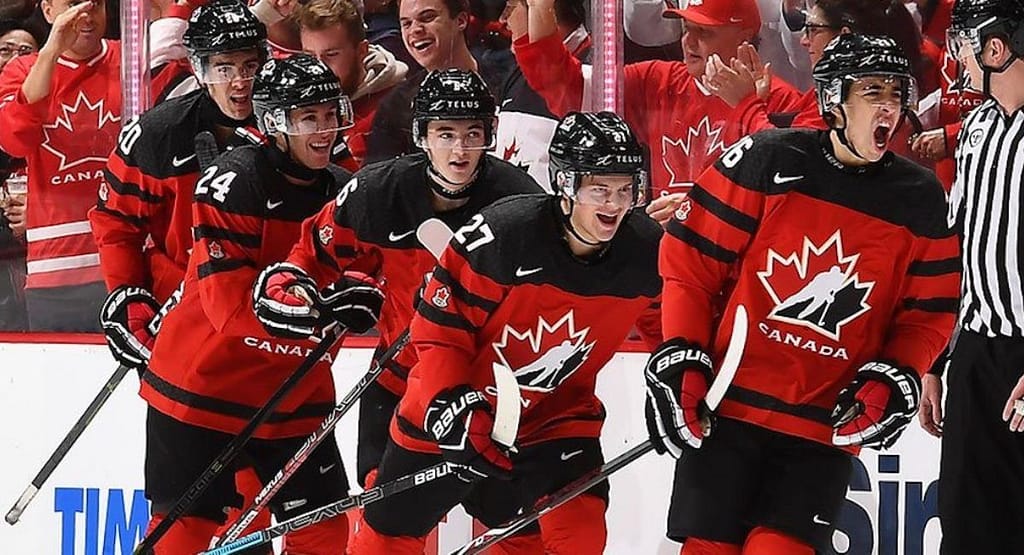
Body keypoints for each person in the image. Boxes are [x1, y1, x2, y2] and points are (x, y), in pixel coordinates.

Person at [646, 34, 959, 554]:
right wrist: (683, 354)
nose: (890, 107)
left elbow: (930, 314)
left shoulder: (920, 199)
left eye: (897, 95)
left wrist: (897, 372)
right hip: (728, 411)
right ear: (834, 98)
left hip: (821, 426)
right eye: (873, 92)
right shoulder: (769, 158)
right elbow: (691, 263)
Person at [338, 111, 662, 554]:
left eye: (625, 189)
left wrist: (682, 371)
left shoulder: (646, 250)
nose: (614, 205)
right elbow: (436, 331)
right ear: (565, 185)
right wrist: (449, 401)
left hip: (555, 419)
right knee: (384, 541)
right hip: (456, 414)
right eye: (599, 189)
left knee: (578, 537)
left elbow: (673, 324)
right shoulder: (503, 236)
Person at [136, 54, 383, 554]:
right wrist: (322, 309)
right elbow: (230, 312)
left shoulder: (344, 188)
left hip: (293, 392)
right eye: (307, 117)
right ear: (274, 123)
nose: (324, 129)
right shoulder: (232, 182)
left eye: (329, 113)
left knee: (324, 530)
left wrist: (360, 288)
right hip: (202, 388)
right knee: (186, 533)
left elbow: (372, 267)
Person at [260, 68, 540, 491]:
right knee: (383, 515)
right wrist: (295, 290)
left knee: (508, 520)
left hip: (489, 390)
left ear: (491, 132)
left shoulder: (520, 201)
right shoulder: (377, 192)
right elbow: (310, 258)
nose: (460, 149)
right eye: (445, 133)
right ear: (421, 135)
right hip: (397, 380)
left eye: (472, 133)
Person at [514, 0, 804, 205]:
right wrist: (541, 8)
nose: (688, 42)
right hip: (668, 260)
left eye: (704, 32)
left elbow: (792, 196)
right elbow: (564, 86)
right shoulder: (658, 81)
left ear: (744, 37)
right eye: (686, 29)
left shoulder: (782, 100)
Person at [922, 0, 1024, 552]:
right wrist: (937, 358)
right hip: (977, 354)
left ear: (996, 48)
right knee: (965, 524)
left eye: (964, 40)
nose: (955, 51)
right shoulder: (980, 127)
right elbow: (954, 247)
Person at [364, 0, 509, 163]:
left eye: (427, 18)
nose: (415, 30)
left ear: (461, 20)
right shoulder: (395, 107)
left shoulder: (508, 82)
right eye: (406, 24)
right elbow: (378, 181)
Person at [293, 0, 409, 167]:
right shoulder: (294, 103)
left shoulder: (397, 109)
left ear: (362, 51)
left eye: (331, 55)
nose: (319, 69)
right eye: (310, 57)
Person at [493, 0, 589, 191]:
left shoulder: (596, 73)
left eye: (510, 7)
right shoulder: (516, 74)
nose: (503, 20)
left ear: (543, 7)